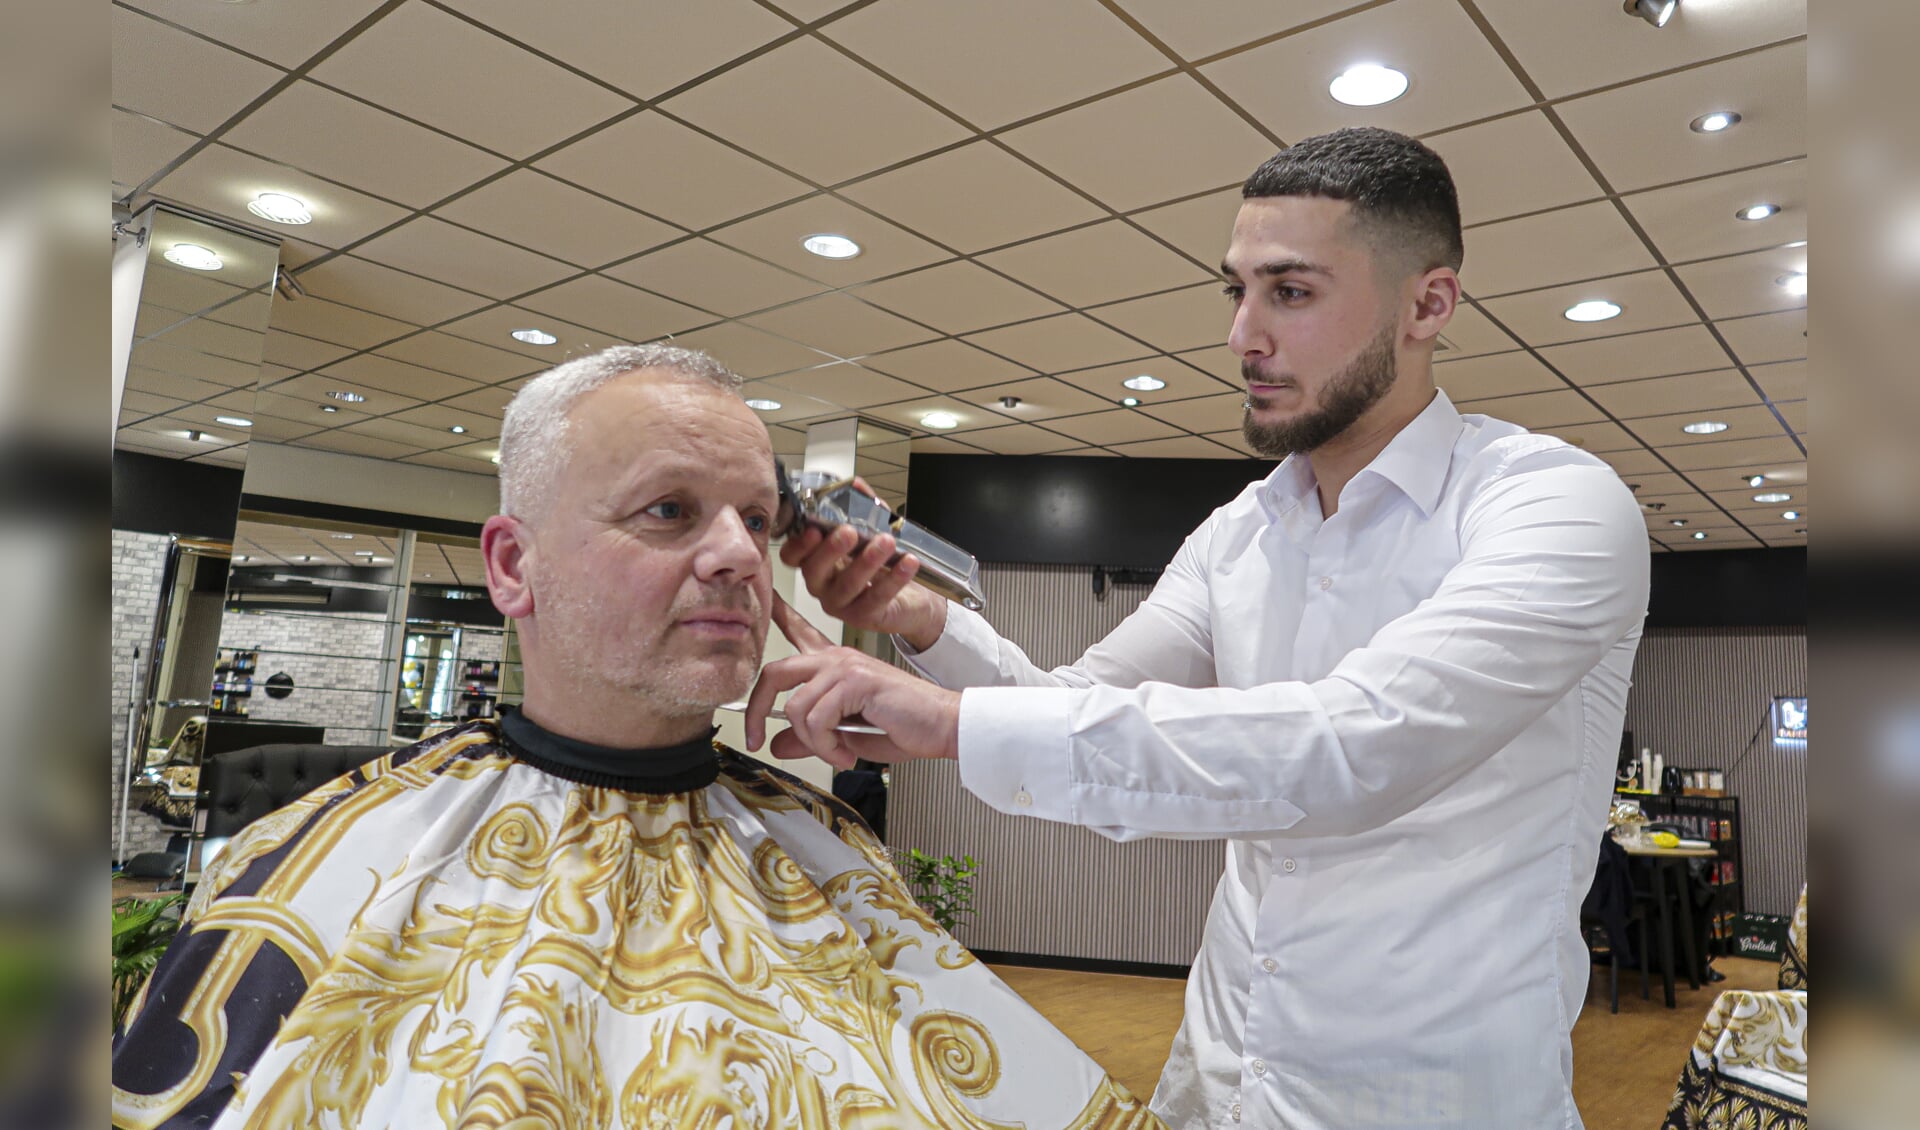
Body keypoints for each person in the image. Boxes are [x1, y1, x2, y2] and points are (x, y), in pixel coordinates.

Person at [750, 128, 1652, 1128]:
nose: (1242, 336)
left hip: (1436, 1100)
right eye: (1237, 291)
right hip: (1224, 1079)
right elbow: (1077, 706)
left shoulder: (1555, 507)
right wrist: (919, 622)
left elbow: (1350, 746)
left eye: (1291, 292)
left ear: (1427, 304)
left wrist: (954, 722)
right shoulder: (1242, 531)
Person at [111, 345, 1163, 1130]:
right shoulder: (312, 861)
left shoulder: (823, 842)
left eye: (756, 519)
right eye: (668, 510)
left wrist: (930, 640)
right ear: (514, 565)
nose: (739, 558)